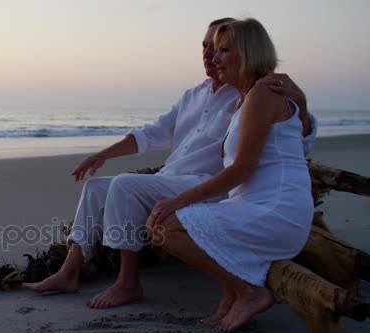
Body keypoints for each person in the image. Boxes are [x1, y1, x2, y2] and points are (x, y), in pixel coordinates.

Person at [22, 18, 317, 310]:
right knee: (96, 188)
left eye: (219, 48)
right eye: (205, 46)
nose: (209, 54)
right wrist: (102, 155)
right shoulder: (195, 94)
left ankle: (128, 282)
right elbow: (152, 133)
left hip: (208, 184)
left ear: (243, 51)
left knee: (125, 186)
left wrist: (301, 107)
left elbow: (290, 141)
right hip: (173, 178)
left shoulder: (250, 91)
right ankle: (69, 270)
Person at [146, 18, 314, 333]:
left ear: (248, 53)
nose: (216, 58)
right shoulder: (246, 98)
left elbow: (241, 169)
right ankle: (234, 289)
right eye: (214, 50)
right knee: (160, 225)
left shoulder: (262, 94)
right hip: (255, 206)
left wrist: (176, 201)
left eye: (225, 50)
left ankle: (250, 292)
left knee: (165, 226)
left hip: (276, 212)